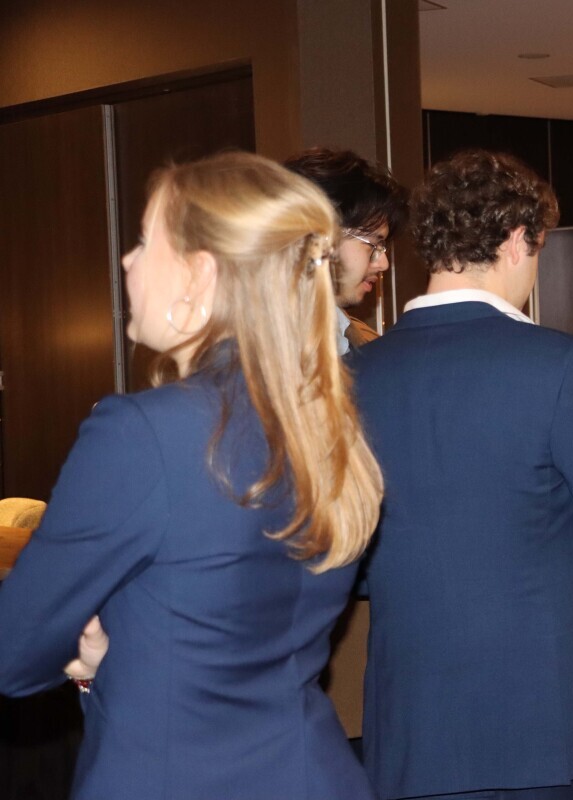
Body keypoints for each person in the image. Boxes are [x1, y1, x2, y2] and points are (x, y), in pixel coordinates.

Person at [0, 152, 384, 800]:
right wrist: (111, 663)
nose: (127, 262)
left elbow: (14, 652)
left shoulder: (142, 432)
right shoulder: (331, 425)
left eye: (145, 242)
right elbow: (231, 635)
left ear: (199, 273)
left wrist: (87, 661)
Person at [351, 149, 573, 800]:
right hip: (545, 722)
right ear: (519, 240)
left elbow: (347, 557)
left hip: (412, 726)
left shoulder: (353, 375)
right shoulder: (560, 364)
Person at [284, 147, 407, 352]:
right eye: (373, 245)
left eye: (382, 247)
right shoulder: (255, 346)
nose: (383, 264)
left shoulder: (359, 340)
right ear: (317, 235)